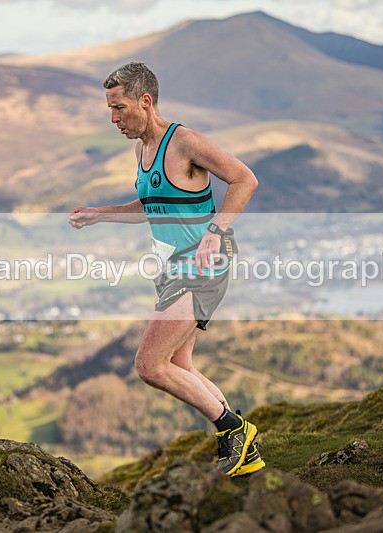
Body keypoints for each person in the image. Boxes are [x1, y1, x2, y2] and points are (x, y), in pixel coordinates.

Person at [68, 62, 263, 476]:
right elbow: (151, 207)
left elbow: (244, 179)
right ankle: (244, 448)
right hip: (172, 268)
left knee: (150, 365)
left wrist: (215, 231)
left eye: (119, 107)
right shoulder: (142, 150)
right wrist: (99, 214)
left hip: (203, 262)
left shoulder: (186, 142)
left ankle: (234, 431)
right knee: (180, 365)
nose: (113, 118)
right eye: (110, 109)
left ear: (146, 101)